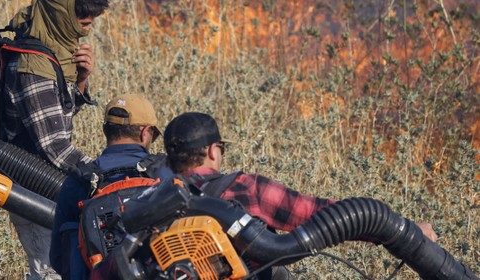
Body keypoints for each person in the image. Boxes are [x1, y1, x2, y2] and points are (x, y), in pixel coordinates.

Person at [161, 112, 438, 279]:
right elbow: (319, 213)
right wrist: (406, 230)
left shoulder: (151, 201)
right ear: (212, 151)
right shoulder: (245, 188)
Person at [0, 0, 110, 280]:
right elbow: (56, 148)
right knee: (49, 273)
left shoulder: (52, 55)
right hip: (34, 187)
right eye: (82, 21)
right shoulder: (32, 66)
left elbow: (57, 114)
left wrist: (81, 78)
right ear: (61, 17)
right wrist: (108, 176)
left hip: (49, 187)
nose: (86, 28)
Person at [49, 94, 161, 280]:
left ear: (104, 130)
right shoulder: (165, 174)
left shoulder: (78, 180)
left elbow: (58, 259)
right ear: (145, 132)